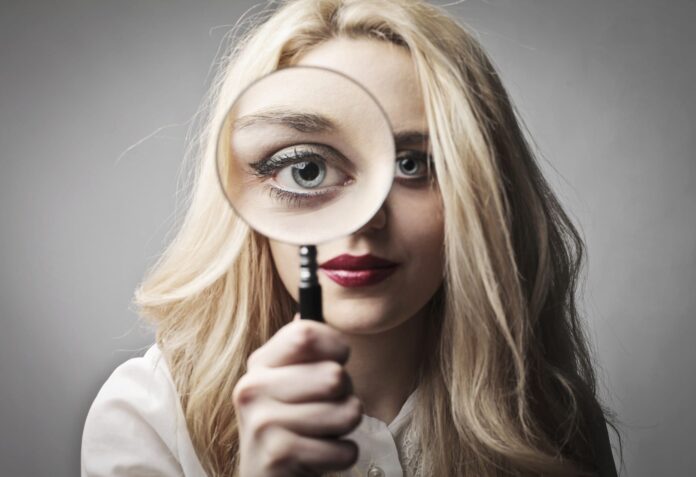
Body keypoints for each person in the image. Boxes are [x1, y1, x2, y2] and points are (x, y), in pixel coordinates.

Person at [81, 0, 624, 476]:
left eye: (413, 164)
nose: (363, 222)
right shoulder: (148, 414)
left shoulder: (548, 418)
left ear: (484, 195)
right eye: (306, 169)